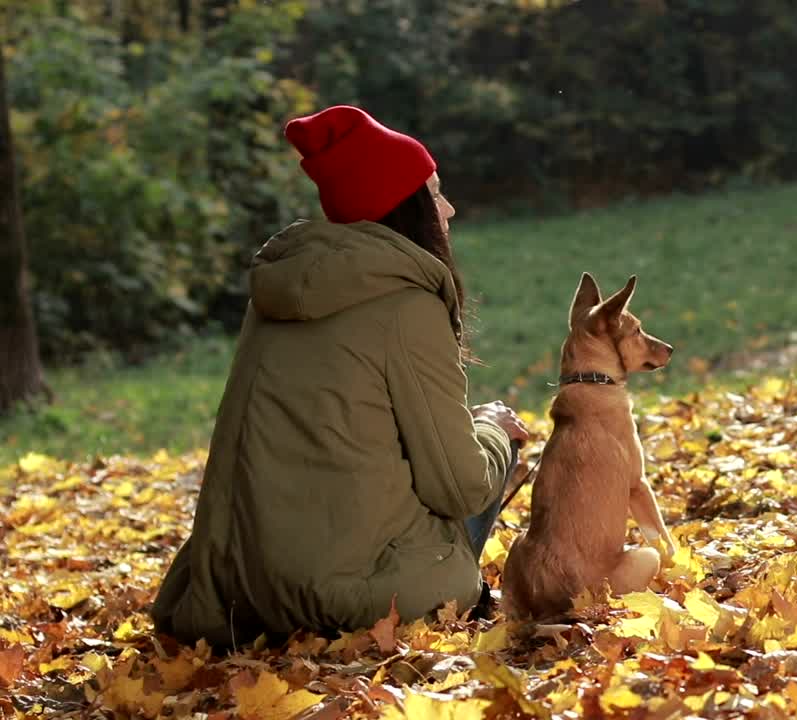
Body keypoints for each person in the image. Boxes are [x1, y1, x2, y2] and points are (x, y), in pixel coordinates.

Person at [150, 105, 529, 648]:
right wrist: (492, 429)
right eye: (434, 193)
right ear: (405, 208)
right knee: (490, 442)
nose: (448, 208)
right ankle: (457, 593)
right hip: (347, 597)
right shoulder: (406, 304)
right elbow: (458, 485)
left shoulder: (274, 295)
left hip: (239, 590)